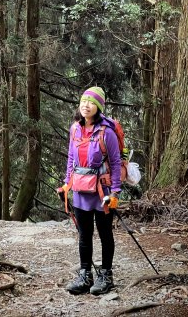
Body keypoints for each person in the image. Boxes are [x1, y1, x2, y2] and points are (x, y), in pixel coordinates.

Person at [59, 86, 121, 295]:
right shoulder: (75, 129)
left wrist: (115, 193)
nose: (86, 105)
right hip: (79, 190)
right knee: (84, 235)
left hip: (102, 192)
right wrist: (67, 184)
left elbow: (114, 162)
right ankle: (85, 274)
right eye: (84, 101)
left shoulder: (107, 132)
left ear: (99, 107)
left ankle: (106, 275)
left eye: (92, 102)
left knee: (105, 234)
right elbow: (70, 159)